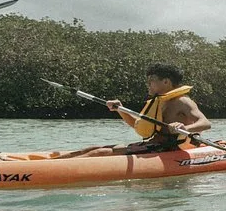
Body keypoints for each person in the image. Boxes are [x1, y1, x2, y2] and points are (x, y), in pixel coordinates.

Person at [61, 63, 211, 158]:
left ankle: (55, 171)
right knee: (92, 148)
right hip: (151, 145)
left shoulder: (182, 101)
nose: (148, 85)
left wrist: (184, 128)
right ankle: (49, 163)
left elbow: (205, 123)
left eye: (151, 81)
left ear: (166, 81)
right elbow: (138, 126)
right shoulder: (157, 102)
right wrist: (120, 109)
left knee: (98, 153)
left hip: (167, 148)